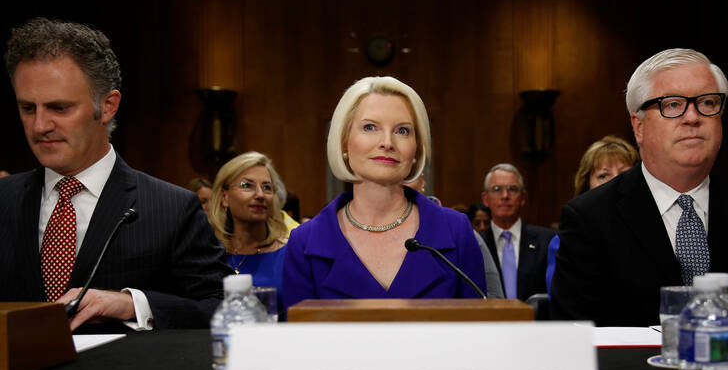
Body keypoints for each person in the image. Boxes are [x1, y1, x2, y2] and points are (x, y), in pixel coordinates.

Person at [0, 18, 231, 331]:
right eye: (28, 108)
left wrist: (133, 305)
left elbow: (222, 309)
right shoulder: (5, 200)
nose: (40, 126)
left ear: (107, 106)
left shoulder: (172, 209)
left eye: (59, 108)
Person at [550, 48, 728, 326]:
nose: (692, 117)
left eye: (706, 102)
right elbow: (573, 336)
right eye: (672, 105)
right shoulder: (589, 218)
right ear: (638, 126)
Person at [283, 76, 485, 308]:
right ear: (344, 142)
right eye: (370, 127)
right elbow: (300, 341)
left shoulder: (456, 231)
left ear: (417, 149)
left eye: (402, 131)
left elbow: (476, 335)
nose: (387, 142)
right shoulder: (305, 242)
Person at [545, 136, 639, 292]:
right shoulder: (566, 241)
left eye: (625, 173)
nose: (615, 182)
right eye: (603, 175)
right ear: (586, 185)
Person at [206, 151, 287, 311]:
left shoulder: (291, 253)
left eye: (267, 187)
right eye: (247, 185)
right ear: (224, 198)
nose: (260, 194)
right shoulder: (208, 255)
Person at [480, 164, 555, 301]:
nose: (505, 196)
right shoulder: (476, 243)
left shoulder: (546, 240)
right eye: (497, 189)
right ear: (485, 199)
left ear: (523, 197)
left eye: (512, 189)